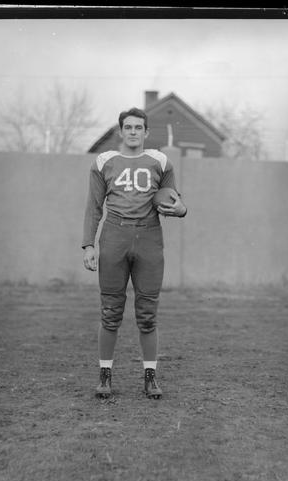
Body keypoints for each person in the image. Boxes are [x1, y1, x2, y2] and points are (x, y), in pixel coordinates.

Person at [82, 107, 187, 399]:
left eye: (138, 127)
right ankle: (105, 374)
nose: (133, 132)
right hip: (115, 235)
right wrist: (89, 244)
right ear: (120, 130)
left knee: (147, 313)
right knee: (110, 310)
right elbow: (93, 207)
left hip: (149, 236)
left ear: (146, 132)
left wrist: (182, 210)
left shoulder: (160, 161)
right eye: (128, 127)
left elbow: (173, 200)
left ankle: (150, 376)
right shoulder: (104, 162)